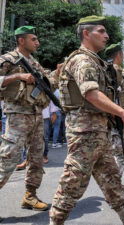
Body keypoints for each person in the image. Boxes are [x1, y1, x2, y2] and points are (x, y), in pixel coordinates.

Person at [49, 16, 124, 225]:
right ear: (86, 34)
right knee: (73, 180)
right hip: (84, 131)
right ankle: (55, 222)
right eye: (101, 31)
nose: (106, 35)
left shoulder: (95, 61)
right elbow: (91, 94)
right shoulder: (82, 60)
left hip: (98, 130)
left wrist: (119, 116)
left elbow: (107, 97)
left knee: (111, 177)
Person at [0, 25, 60, 211]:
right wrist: (18, 76)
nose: (38, 42)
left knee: (36, 159)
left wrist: (58, 72)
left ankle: (30, 196)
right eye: (33, 39)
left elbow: (48, 81)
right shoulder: (8, 59)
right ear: (21, 40)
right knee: (9, 157)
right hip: (18, 115)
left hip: (36, 115)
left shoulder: (34, 62)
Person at [104, 42, 124, 194]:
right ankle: (113, 188)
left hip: (111, 120)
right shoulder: (116, 73)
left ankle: (116, 185)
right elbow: (117, 99)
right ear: (119, 55)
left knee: (117, 154)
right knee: (122, 155)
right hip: (116, 121)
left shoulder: (107, 71)